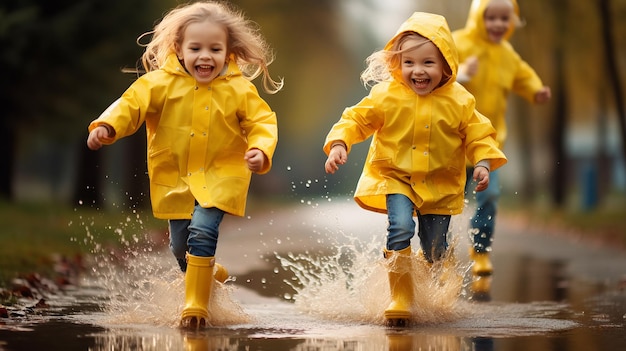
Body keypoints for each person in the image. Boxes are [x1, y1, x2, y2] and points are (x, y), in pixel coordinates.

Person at [86, 1, 283, 328]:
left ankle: (195, 307)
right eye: (196, 48)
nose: (205, 56)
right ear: (179, 48)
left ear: (229, 51)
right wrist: (106, 126)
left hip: (221, 178)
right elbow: (130, 105)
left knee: (202, 231)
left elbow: (263, 122)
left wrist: (260, 149)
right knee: (181, 245)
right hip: (175, 178)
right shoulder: (159, 83)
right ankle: (209, 273)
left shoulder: (239, 89)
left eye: (215, 49)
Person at [323, 12, 507, 326]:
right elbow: (356, 119)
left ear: (446, 65)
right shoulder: (386, 95)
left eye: (427, 63)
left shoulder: (459, 100)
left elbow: (479, 134)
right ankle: (400, 299)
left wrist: (483, 163)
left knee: (434, 251)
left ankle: (425, 266)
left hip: (439, 185)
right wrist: (340, 142)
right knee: (399, 228)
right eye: (409, 63)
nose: (417, 71)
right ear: (398, 64)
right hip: (396, 178)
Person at [453, 0, 551, 278]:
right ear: (477, 17)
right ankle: (439, 253)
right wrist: (461, 74)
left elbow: (524, 75)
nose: (498, 24)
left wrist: (536, 91)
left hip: (487, 143)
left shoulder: (508, 55)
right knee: (444, 204)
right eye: (491, 17)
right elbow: (437, 74)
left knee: (490, 197)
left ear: (513, 21)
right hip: (453, 143)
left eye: (504, 18)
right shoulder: (458, 43)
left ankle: (481, 251)